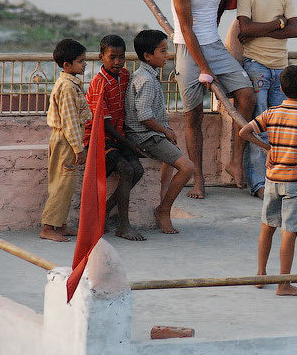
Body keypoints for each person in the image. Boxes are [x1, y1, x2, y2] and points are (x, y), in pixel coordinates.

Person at [171, 0, 254, 198]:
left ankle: (235, 161)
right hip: (187, 48)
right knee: (193, 116)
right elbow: (186, 28)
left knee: (247, 94)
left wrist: (213, 60)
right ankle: (198, 178)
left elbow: (214, 14)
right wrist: (204, 68)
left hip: (215, 46)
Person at [239, 65, 297, 296]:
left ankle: (261, 273)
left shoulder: (271, 113)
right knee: (289, 231)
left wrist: (268, 148)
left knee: (267, 228)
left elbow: (244, 132)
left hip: (272, 179)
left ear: (282, 89)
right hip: (295, 182)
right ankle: (283, 283)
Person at [235, 0, 297, 199]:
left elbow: (293, 30)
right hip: (256, 65)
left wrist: (258, 29)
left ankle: (278, 177)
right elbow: (244, 29)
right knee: (259, 125)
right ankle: (258, 184)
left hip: (280, 68)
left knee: (280, 127)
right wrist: (277, 23)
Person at [125, 30, 194, 234]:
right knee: (187, 168)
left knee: (173, 153)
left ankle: (163, 196)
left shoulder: (146, 75)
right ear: (148, 56)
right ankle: (164, 209)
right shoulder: (145, 80)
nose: (167, 55)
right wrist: (165, 131)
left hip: (150, 133)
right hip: (144, 136)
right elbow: (144, 116)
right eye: (163, 51)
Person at [83, 35, 147, 241]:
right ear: (101, 57)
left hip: (119, 135)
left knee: (138, 170)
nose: (118, 62)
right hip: (99, 138)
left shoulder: (126, 75)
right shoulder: (99, 83)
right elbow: (103, 123)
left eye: (121, 57)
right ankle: (123, 225)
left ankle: (107, 210)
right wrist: (130, 143)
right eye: (112, 57)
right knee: (127, 170)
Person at [39, 39, 92, 241]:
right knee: (62, 183)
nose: (84, 64)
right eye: (81, 61)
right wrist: (79, 149)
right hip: (66, 141)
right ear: (67, 65)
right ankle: (48, 227)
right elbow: (70, 122)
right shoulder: (68, 88)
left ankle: (59, 225)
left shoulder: (70, 84)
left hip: (66, 139)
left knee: (66, 184)